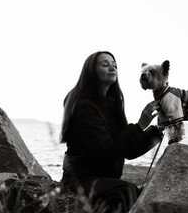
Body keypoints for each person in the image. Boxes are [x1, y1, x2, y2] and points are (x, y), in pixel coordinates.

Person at [60, 51, 163, 213]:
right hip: (81, 180)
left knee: (137, 191)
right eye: (105, 64)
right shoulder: (83, 105)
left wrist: (158, 130)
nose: (112, 68)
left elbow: (127, 150)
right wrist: (140, 125)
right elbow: (105, 150)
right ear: (91, 71)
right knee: (127, 191)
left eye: (114, 65)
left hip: (104, 179)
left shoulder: (113, 102)